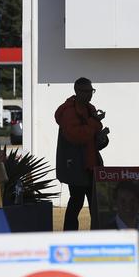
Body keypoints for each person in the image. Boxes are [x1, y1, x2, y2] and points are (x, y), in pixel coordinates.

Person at [55, 77, 109, 230]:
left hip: (92, 165)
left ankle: (97, 237)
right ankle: (70, 236)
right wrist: (94, 124)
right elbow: (78, 136)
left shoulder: (90, 110)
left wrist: (102, 137)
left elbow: (93, 139)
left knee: (95, 205)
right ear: (77, 91)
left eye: (91, 91)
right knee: (76, 202)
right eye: (86, 91)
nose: (89, 95)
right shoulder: (68, 112)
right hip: (76, 166)